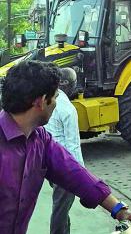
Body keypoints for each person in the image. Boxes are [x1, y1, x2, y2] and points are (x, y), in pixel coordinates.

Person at [0, 61, 131, 234]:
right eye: (55, 96)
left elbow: (74, 172)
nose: (56, 102)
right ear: (41, 102)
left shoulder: (40, 139)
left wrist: (120, 210)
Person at [44, 67, 84, 234]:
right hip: (65, 167)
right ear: (71, 85)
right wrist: (81, 174)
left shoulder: (48, 102)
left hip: (49, 163)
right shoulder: (67, 108)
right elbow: (73, 145)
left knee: (62, 207)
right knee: (61, 210)